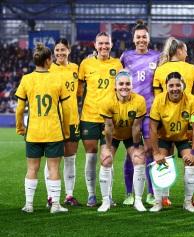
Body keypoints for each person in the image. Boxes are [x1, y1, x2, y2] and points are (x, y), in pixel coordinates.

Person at [15, 43, 71, 213]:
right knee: (54, 168)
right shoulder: (57, 79)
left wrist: (20, 127)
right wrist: (66, 130)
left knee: (32, 169)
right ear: (48, 60)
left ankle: (29, 205)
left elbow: (19, 109)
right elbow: (66, 109)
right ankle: (55, 205)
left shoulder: (26, 79)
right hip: (53, 132)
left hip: (34, 132)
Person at [153, 37, 194, 207]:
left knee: (164, 159)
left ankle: (164, 198)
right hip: (186, 124)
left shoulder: (160, 70)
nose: (187, 54)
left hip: (164, 124)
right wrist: (189, 123)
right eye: (186, 51)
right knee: (189, 161)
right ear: (179, 50)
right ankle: (190, 200)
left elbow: (157, 98)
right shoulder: (191, 68)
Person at [78, 32, 123, 207]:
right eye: (101, 44)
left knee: (107, 158)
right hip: (89, 117)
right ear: (95, 45)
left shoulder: (117, 64)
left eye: (107, 43)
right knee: (90, 157)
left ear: (111, 45)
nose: (104, 46)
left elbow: (122, 89)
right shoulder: (86, 64)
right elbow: (79, 89)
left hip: (109, 119)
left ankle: (108, 195)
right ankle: (91, 195)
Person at [120, 20, 160, 206]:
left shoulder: (157, 57)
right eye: (139, 37)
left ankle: (152, 193)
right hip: (131, 113)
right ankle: (130, 193)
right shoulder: (126, 57)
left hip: (150, 112)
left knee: (151, 152)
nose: (142, 40)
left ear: (148, 39)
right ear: (134, 39)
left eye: (144, 37)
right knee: (132, 153)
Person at [98, 70, 147, 212]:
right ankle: (106, 201)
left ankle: (138, 200)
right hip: (112, 134)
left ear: (132, 85)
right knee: (106, 160)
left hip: (130, 134)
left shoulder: (139, 100)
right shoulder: (107, 101)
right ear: (115, 86)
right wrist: (107, 147)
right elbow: (108, 127)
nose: (124, 87)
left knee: (139, 159)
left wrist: (137, 147)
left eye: (127, 84)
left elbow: (137, 127)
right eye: (121, 84)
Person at [44, 38, 80, 207]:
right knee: (53, 158)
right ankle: (50, 196)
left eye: (63, 50)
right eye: (57, 50)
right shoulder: (48, 69)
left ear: (69, 50)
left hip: (72, 118)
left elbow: (78, 92)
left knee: (70, 158)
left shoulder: (75, 68)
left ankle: (69, 195)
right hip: (54, 120)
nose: (59, 53)